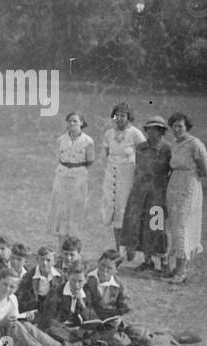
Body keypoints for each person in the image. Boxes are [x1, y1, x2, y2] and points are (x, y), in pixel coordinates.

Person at [120, 116, 172, 272]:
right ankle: (147, 260)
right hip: (139, 192)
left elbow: (170, 171)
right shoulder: (141, 147)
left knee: (158, 227)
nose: (151, 132)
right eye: (149, 129)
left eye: (155, 129)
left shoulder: (167, 149)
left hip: (157, 193)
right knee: (140, 225)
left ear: (161, 131)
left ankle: (164, 261)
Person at [163, 112, 207, 284]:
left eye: (180, 126)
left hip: (189, 186)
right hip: (173, 184)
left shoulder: (195, 144)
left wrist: (189, 176)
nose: (176, 129)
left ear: (186, 127)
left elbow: (205, 171)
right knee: (175, 226)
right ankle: (178, 267)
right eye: (174, 126)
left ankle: (181, 272)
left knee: (183, 226)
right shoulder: (174, 144)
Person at [99, 103, 146, 257]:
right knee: (115, 213)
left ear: (129, 117)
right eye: (116, 115)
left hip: (128, 178)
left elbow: (145, 153)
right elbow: (106, 154)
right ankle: (119, 249)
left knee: (127, 212)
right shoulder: (108, 134)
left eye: (123, 116)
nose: (119, 119)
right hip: (112, 177)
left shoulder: (135, 134)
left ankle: (130, 248)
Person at [46, 112, 95, 240]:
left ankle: (74, 246)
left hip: (78, 176)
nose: (72, 124)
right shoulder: (61, 140)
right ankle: (61, 246)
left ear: (82, 123)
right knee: (61, 209)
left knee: (76, 209)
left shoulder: (88, 141)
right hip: (62, 175)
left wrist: (76, 169)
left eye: (75, 121)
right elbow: (59, 157)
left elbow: (90, 161)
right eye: (69, 121)